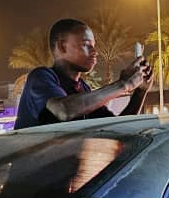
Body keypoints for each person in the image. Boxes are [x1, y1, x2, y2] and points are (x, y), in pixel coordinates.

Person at [14, 19, 152, 130]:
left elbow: (116, 129)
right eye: (87, 45)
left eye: (93, 45)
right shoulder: (41, 77)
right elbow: (64, 110)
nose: (94, 51)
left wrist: (140, 93)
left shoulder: (83, 89)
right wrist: (124, 85)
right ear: (62, 46)